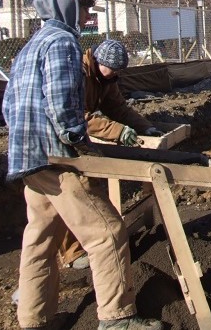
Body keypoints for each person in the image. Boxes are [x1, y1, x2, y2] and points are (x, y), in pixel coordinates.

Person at [2, 0, 162, 330]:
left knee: (40, 239)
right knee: (106, 233)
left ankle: (34, 319)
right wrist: (76, 140)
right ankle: (117, 319)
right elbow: (62, 103)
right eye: (85, 8)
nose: (88, 15)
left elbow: (8, 104)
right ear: (67, 8)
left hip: (29, 156)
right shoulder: (62, 42)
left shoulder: (31, 45)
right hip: (56, 158)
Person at [57, 39, 165, 269]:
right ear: (98, 61)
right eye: (112, 70)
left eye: (117, 72)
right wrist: (118, 131)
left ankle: (82, 244)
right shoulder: (80, 75)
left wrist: (144, 127)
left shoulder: (106, 79)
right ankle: (72, 253)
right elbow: (79, 116)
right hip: (59, 139)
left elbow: (118, 108)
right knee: (75, 191)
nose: (114, 75)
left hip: (75, 137)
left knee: (85, 188)